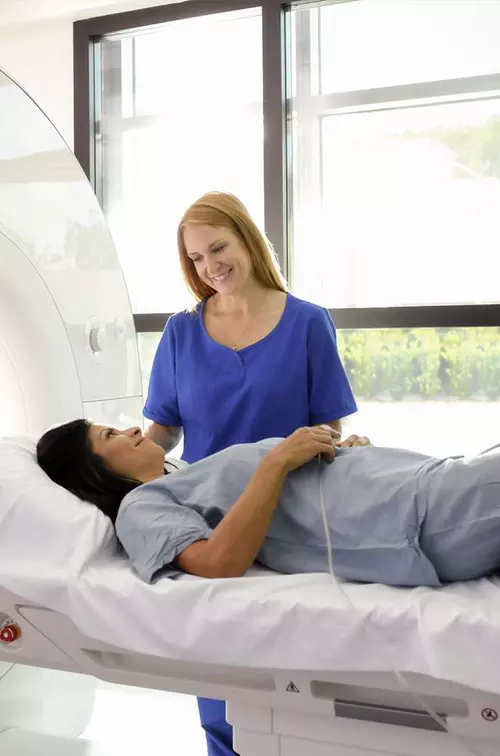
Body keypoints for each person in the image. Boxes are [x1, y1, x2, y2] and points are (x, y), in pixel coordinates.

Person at [141, 191, 358, 754]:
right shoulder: (180, 334)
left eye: (218, 247)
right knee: (220, 694)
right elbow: (161, 434)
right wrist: (115, 475)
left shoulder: (308, 323)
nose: (210, 266)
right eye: (195, 258)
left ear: (247, 239)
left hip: (294, 516)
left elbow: (326, 431)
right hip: (213, 524)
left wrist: (344, 448)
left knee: (288, 693)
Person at [37, 421, 500, 591]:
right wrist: (277, 461)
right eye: (109, 436)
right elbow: (217, 563)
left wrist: (347, 455)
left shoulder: (183, 473)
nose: (130, 430)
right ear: (91, 469)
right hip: (414, 517)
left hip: (419, 484)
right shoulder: (140, 507)